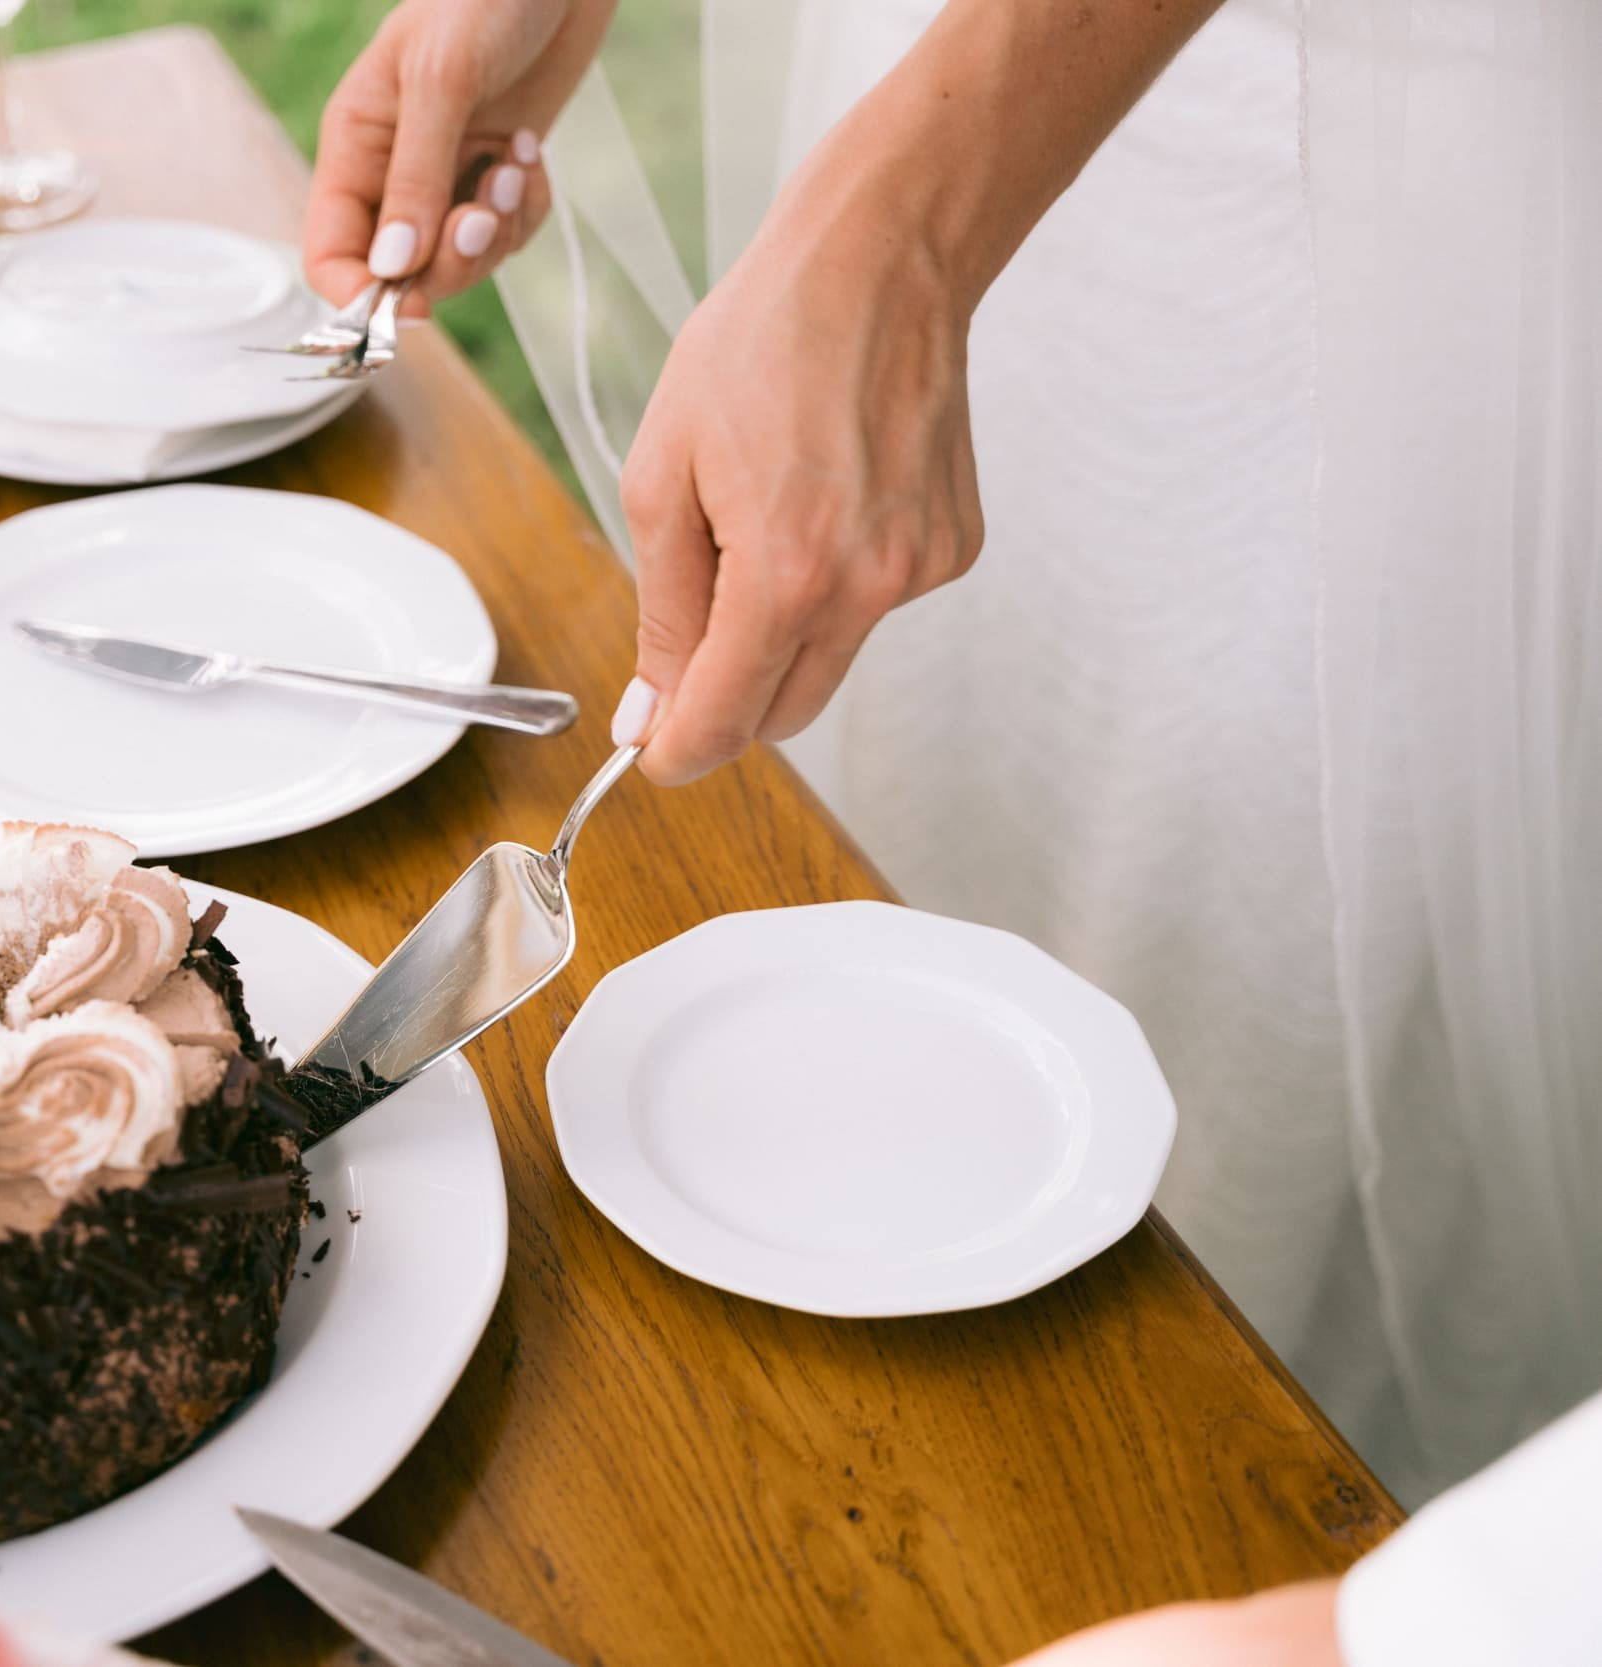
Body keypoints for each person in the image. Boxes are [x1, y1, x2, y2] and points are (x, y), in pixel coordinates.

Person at [304, 0, 1601, 1656]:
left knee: (1293, 953)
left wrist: (915, 219)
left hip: (1375, 170)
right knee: (943, 789)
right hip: (949, 84)